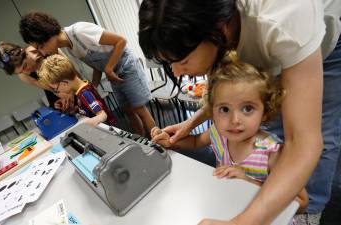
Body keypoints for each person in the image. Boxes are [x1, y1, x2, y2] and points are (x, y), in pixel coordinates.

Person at [138, 0, 341, 224]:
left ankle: (310, 215)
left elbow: (303, 141)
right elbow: (229, 94)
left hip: (321, 43)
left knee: (317, 129)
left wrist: (242, 222)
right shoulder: (222, 30)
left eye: (183, 60)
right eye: (170, 64)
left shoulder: (284, 17)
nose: (176, 73)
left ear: (218, 30)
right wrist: (189, 125)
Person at [151, 60, 308, 215]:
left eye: (247, 108)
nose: (234, 120)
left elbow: (301, 203)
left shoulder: (271, 152)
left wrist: (248, 182)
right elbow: (194, 141)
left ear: (265, 112)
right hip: (230, 207)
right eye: (224, 109)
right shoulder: (219, 134)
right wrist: (171, 142)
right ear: (212, 111)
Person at [19, 12, 155, 137]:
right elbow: (96, 66)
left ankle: (161, 146)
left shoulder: (79, 31)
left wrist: (108, 69)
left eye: (40, 47)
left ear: (46, 36)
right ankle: (143, 141)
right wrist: (93, 87)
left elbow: (121, 41)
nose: (42, 53)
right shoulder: (70, 48)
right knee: (128, 111)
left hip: (125, 66)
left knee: (139, 109)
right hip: (113, 72)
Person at [38, 54, 116, 126]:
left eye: (56, 89)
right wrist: (73, 109)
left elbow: (103, 115)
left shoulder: (85, 94)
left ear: (64, 84)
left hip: (108, 129)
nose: (58, 92)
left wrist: (85, 124)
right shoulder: (81, 89)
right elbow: (88, 107)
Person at [0, 42, 73, 112]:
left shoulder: (41, 50)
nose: (27, 72)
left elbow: (72, 71)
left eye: (25, 66)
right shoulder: (23, 75)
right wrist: (63, 98)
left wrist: (72, 94)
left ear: (26, 54)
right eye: (20, 72)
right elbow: (51, 89)